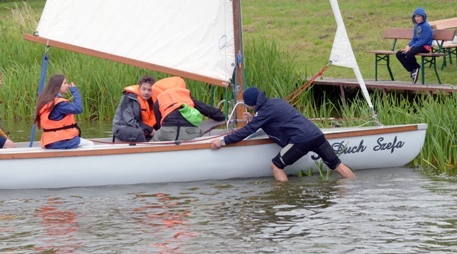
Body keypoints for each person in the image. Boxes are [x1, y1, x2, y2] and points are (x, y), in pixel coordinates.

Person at [211, 87, 355, 182]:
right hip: (316, 134)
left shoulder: (263, 112)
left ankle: (283, 198)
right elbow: (277, 118)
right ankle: (356, 189)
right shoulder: (275, 101)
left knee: (276, 166)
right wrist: (255, 118)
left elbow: (247, 131)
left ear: (251, 104)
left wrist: (223, 141)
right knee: (338, 165)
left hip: (300, 140)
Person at [151, 76, 225, 142]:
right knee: (199, 133)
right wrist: (221, 116)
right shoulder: (185, 96)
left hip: (169, 131)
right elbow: (205, 108)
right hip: (190, 132)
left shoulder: (158, 100)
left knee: (151, 144)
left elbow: (160, 125)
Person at [34, 74, 92, 149]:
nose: (68, 85)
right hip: (60, 140)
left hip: (49, 141)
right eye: (65, 83)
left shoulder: (47, 101)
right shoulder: (60, 104)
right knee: (90, 144)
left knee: (81, 143)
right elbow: (78, 108)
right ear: (57, 87)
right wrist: (75, 91)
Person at [112, 75, 157, 142]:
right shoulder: (129, 98)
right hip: (121, 128)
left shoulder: (152, 101)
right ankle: (145, 151)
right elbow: (129, 121)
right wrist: (149, 130)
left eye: (149, 90)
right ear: (139, 89)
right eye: (144, 89)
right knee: (138, 133)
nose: (146, 92)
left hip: (139, 128)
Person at [395, 7, 433, 84]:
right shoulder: (416, 26)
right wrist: (408, 45)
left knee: (409, 53)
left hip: (425, 47)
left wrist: (412, 47)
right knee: (399, 54)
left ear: (423, 16)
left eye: (419, 16)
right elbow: (414, 39)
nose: (417, 18)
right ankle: (412, 69)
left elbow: (423, 41)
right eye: (415, 16)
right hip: (416, 46)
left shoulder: (427, 26)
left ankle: (416, 67)